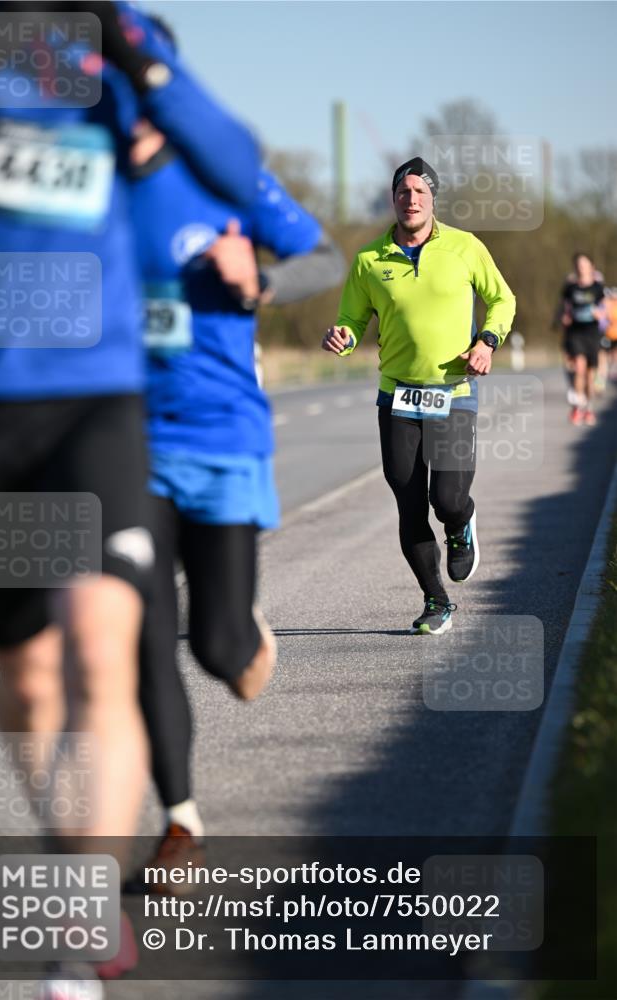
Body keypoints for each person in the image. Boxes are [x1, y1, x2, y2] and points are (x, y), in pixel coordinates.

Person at [0, 4, 261, 993]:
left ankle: (80, 927)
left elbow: (230, 160)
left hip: (94, 406)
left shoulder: (118, 40)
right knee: (36, 684)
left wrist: (138, 63)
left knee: (102, 644)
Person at [130, 110, 346, 863]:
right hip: (124, 447)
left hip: (220, 435)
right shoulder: (86, 183)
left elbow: (327, 259)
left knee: (221, 653)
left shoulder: (221, 175)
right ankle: (180, 821)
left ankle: (240, 625)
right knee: (143, 639)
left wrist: (260, 279)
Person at [322, 157, 516, 635]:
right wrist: (343, 338)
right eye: (403, 192)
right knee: (409, 503)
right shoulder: (369, 260)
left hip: (455, 391)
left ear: (433, 199)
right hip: (397, 399)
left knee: (446, 498)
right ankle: (436, 600)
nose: (411, 200)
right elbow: (351, 319)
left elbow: (503, 300)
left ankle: (461, 522)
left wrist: (487, 342)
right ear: (394, 199)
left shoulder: (465, 248)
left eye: (420, 192)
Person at [560, 253, 605, 425]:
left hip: (592, 332)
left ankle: (589, 408)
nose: (581, 267)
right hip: (575, 332)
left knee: (589, 374)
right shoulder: (570, 288)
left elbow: (605, 310)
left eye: (584, 264)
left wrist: (600, 314)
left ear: (591, 267)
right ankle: (578, 407)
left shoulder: (598, 288)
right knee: (579, 367)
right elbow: (564, 307)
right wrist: (565, 317)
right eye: (578, 265)